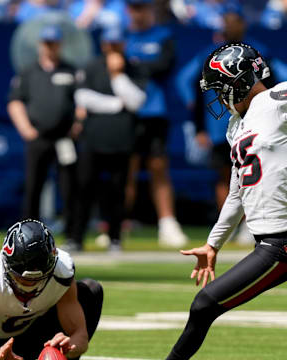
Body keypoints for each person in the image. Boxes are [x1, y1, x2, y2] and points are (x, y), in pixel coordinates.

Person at [165, 42, 287, 359]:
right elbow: (237, 191)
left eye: (221, 88)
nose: (219, 97)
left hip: (281, 240)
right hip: (269, 240)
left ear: (241, 81)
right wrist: (213, 244)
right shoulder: (236, 126)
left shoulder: (276, 102)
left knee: (204, 305)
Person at [0, 219, 103, 360]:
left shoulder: (62, 271)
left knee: (90, 291)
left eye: (37, 279)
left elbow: (81, 336)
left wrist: (69, 346)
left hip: (35, 334)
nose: (29, 285)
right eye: (22, 278)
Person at [64, 27, 146, 252]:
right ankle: (76, 238)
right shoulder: (91, 67)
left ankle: (115, 238)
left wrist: (117, 75)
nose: (113, 49)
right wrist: (117, 104)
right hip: (93, 139)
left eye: (117, 44)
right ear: (103, 45)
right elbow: (83, 97)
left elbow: (137, 101)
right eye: (109, 44)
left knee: (118, 191)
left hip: (121, 140)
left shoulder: (133, 67)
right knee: (84, 189)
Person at [124, 0, 188, 248]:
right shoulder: (122, 36)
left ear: (150, 10)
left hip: (155, 112)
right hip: (127, 113)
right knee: (125, 170)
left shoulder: (164, 35)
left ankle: (168, 223)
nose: (138, 13)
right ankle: (118, 224)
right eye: (133, 8)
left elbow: (164, 65)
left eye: (142, 7)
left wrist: (134, 65)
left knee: (158, 168)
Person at [7, 24, 77, 240]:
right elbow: (15, 102)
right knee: (33, 185)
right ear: (40, 45)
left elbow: (82, 100)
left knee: (69, 186)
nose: (50, 48)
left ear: (60, 45)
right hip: (39, 136)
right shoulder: (29, 73)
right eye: (46, 44)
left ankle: (73, 234)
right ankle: (27, 235)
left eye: (54, 43)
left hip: (64, 137)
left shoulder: (71, 70)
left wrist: (78, 124)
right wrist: (26, 128)